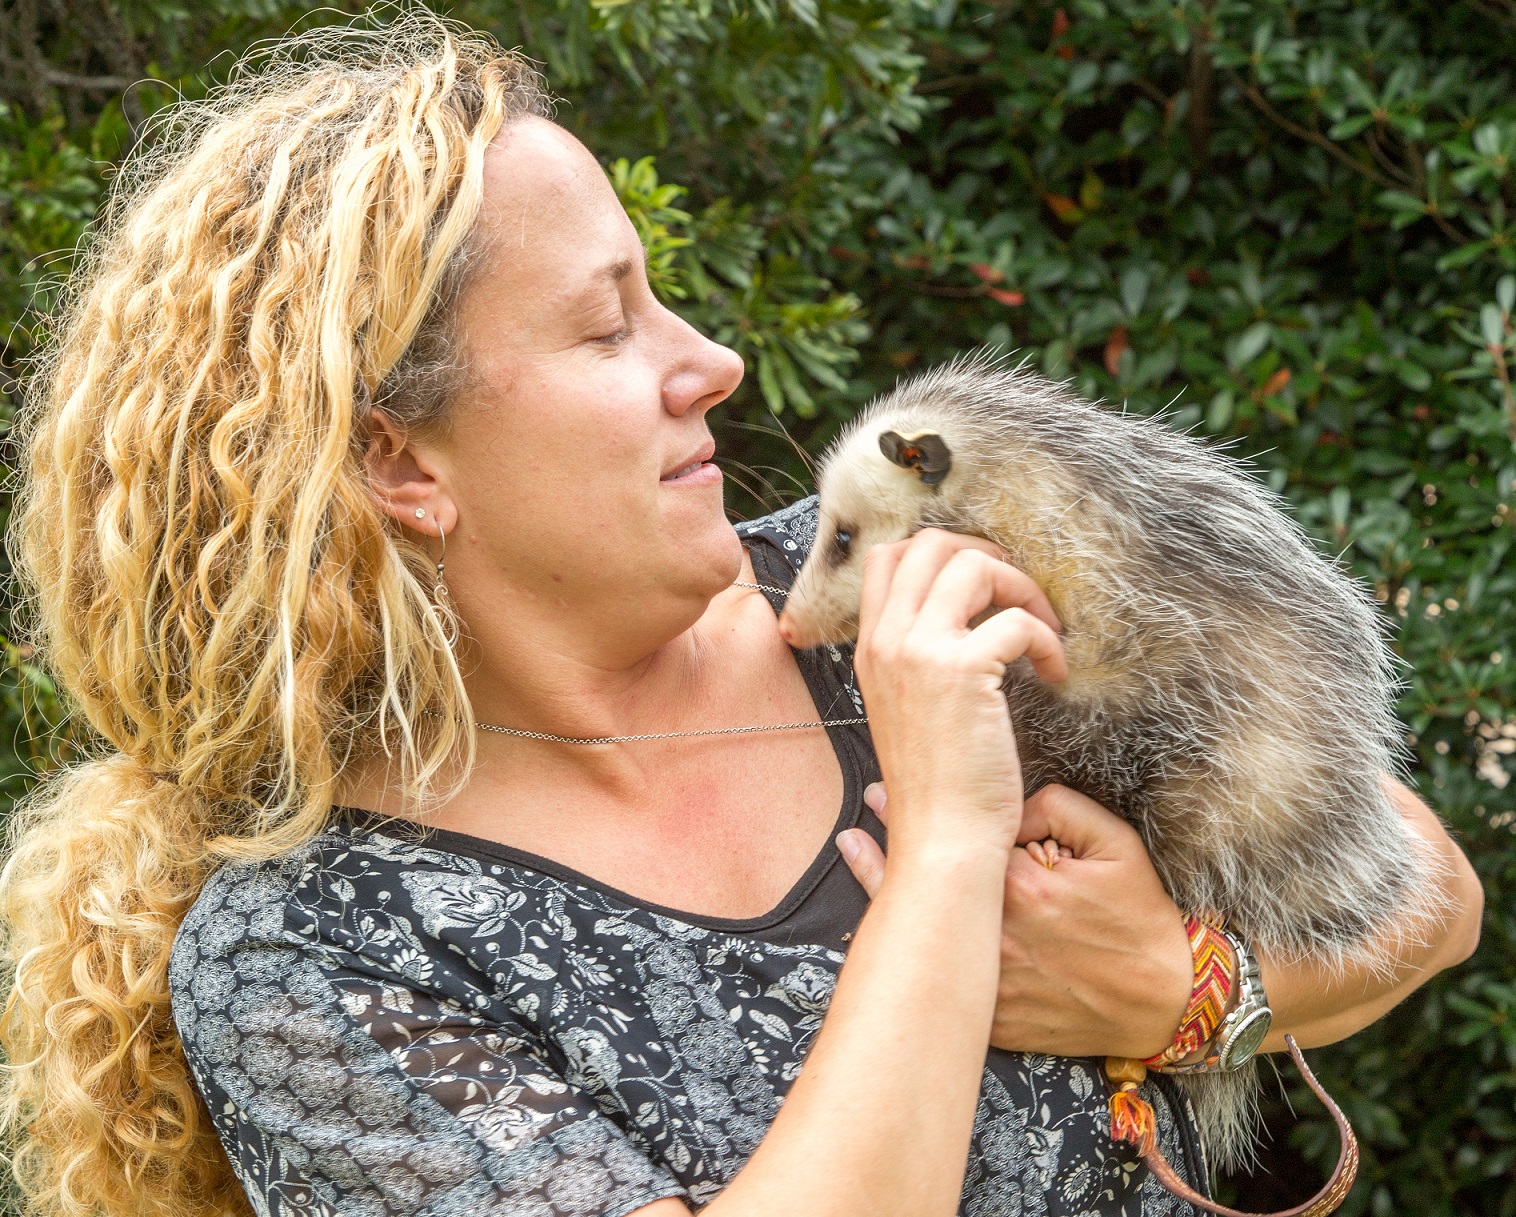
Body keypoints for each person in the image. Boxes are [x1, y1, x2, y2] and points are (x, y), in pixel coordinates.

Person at [0, 12, 1482, 1217]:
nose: (709, 359)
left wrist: (1178, 988)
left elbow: (1418, 881)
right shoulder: (322, 959)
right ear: (401, 461)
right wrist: (950, 853)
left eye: (669, 295)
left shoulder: (872, 592)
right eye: (606, 323)